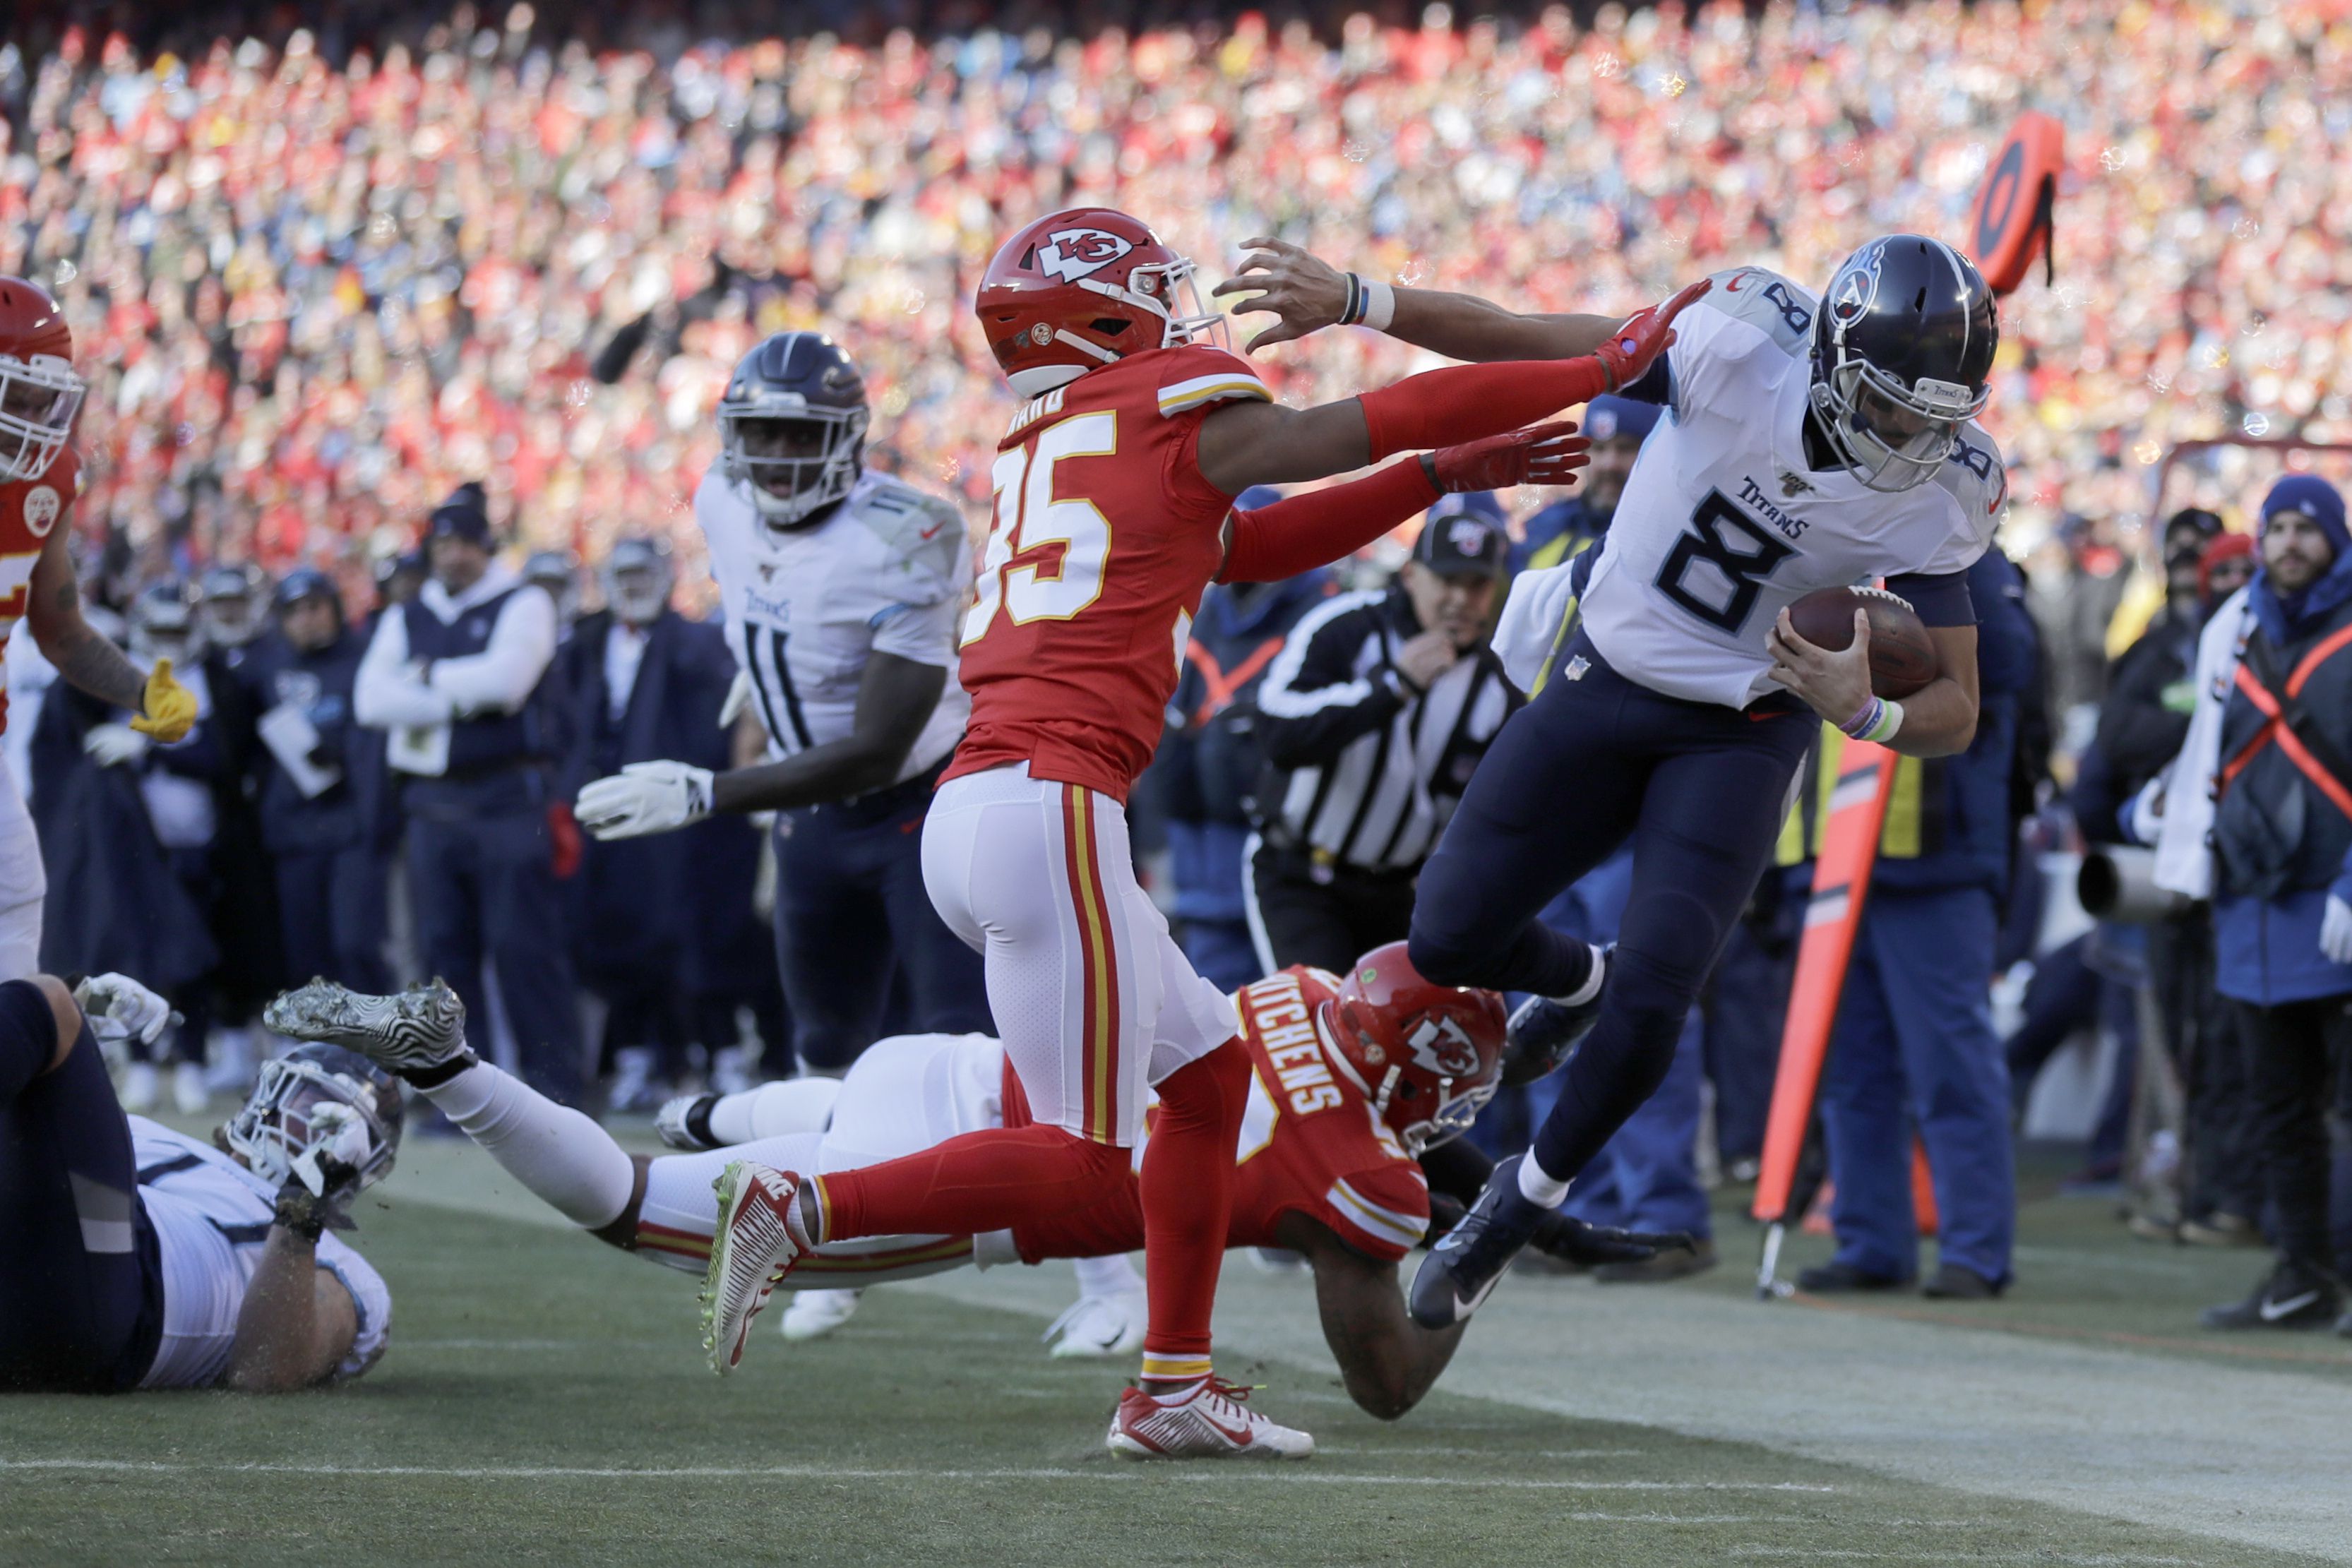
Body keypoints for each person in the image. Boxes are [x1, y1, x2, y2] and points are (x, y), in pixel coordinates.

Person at [688, 205, 1647, 1461]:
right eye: (1156, 294)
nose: (1184, 312)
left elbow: (1243, 546)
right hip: (1046, 803)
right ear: (1104, 315)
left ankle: (1172, 1390)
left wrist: (1430, 483)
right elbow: (1345, 428)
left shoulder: (1048, 439)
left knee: (1208, 1080)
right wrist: (1600, 370)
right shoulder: (1152, 409)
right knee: (1089, 1171)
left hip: (993, 806)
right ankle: (803, 1201)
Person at [1221, 234, 2007, 1327]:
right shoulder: (1734, 340)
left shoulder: (1948, 489)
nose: (1916, 437)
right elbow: (1520, 340)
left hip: (1742, 724)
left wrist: (1860, 709)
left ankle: (1508, 1210)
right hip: (1604, 671)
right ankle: (1574, 982)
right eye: (1891, 407)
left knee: (1661, 991)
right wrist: (1361, 299)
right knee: (1447, 934)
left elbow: (1954, 712)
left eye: (1938, 415)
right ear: (1827, 356)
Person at [263, 949, 1683, 1420]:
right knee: (640, 1211)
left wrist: (1555, 1016)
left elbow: (1391, 1063)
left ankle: (698, 1104)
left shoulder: (1307, 990)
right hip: (965, 1182)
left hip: (947, 1069)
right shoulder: (1360, 1176)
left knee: (730, 1152)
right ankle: (450, 1064)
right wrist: (1491, 1235)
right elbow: (1385, 1378)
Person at [573, 332, 989, 1078]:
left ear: (848, 436)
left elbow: (876, 750)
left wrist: (707, 791)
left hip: (919, 810)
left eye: (800, 433)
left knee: (959, 1044)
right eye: (759, 432)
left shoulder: (910, 535)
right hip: (814, 819)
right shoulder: (720, 499)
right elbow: (763, 602)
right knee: (824, 1051)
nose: (776, 454)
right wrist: (772, 676)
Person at [1801, 544, 2039, 1300]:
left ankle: (1975, 1247)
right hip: (1833, 851)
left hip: (1938, 853)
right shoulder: (1821, 540)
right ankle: (1871, 1238)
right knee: (1850, 1070)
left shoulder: (1967, 559)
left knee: (1951, 1065)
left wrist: (1898, 618)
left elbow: (2007, 667)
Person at [1, 969, 393, 1394]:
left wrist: (303, 1208)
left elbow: (265, 1369)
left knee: (47, 1005)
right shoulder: (164, 1139)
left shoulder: (344, 1267)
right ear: (267, 1094)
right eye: (308, 1104)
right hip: (29, 1267)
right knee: (55, 1007)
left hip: (115, 1307)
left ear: (364, 1162)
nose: (313, 1127)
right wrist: (83, 1023)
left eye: (336, 1122)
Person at [2178, 477, 2352, 1333]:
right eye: (2275, 527)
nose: (2288, 543)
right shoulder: (2232, 627)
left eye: (2305, 529)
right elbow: (2202, 752)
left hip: (2337, 898)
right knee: (2279, 1107)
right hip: (2251, 899)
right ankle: (2301, 1273)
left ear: (2333, 537)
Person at [355, 482, 583, 1106]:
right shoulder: (410, 611)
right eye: (443, 543)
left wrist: (424, 679)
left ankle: (555, 1091)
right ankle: (460, 1097)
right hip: (433, 806)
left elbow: (507, 684)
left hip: (509, 800)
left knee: (524, 950)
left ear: (487, 546)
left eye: (465, 544)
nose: (453, 556)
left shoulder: (523, 601)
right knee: (443, 960)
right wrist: (457, 690)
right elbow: (370, 700)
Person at [0, 275, 198, 981]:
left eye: (38, 395)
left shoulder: (46, 480)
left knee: (21, 935)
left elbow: (60, 630)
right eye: (13, 390)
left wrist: (146, 694)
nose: (28, 413)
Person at [1246, 497, 1518, 975]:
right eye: (1446, 580)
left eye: (1475, 585)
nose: (1458, 599)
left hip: (1400, 895)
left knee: (1406, 1043)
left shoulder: (1499, 681)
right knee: (1318, 1029)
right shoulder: (1347, 626)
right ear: (1412, 575)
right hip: (1303, 876)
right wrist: (1392, 687)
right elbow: (1277, 732)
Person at [556, 537, 738, 1107]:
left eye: (643, 574)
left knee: (689, 938)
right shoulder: (586, 644)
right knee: (615, 935)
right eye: (624, 574)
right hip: (607, 810)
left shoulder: (696, 641)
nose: (634, 586)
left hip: (674, 817)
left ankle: (714, 1056)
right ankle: (636, 1057)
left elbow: (718, 726)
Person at [1148, 489, 1332, 993]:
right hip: (1201, 858)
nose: (1236, 551)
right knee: (1217, 1021)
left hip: (1290, 865)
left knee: (1298, 1018)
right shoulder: (1196, 610)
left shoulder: (1322, 615)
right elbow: (1165, 727)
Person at [238, 568, 393, 995]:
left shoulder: (367, 657)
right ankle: (327, 1055)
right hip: (292, 831)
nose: (307, 619)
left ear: (335, 608)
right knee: (307, 953)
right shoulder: (263, 665)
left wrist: (348, 757)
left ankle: (383, 1045)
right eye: (295, 612)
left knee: (356, 945)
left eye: (315, 607)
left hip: (353, 827)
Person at [1511, 395, 1659, 573]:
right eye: (1599, 448)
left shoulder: (1667, 537)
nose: (1610, 464)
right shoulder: (1548, 532)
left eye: (1626, 448)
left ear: (1655, 452)